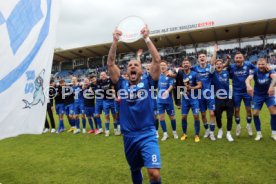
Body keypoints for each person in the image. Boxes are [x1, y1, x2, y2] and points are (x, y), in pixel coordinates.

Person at [107, 25, 162, 184]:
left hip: (147, 134)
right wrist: (115, 41)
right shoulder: (121, 84)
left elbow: (157, 60)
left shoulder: (149, 82)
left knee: (154, 174)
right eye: (130, 65)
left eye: (136, 65)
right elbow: (110, 64)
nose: (132, 66)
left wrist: (146, 38)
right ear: (126, 72)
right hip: (129, 136)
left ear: (142, 71)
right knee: (135, 169)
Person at [245, 58, 276, 141]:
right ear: (257, 65)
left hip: (269, 95)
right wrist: (248, 85)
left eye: (263, 64)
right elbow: (248, 79)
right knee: (255, 114)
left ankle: (274, 133)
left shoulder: (270, 70)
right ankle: (259, 134)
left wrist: (271, 87)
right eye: (259, 64)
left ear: (266, 64)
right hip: (257, 95)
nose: (261, 66)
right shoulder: (255, 71)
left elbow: (275, 78)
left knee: (274, 113)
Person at [191, 47, 217, 141]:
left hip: (209, 94)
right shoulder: (194, 69)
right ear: (198, 59)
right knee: (202, 114)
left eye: (203, 56)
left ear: (206, 58)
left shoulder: (209, 68)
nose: (202, 58)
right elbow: (185, 69)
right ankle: (206, 130)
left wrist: (214, 51)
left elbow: (213, 62)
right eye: (200, 57)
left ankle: (212, 133)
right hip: (199, 95)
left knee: (212, 113)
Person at [228, 52, 255, 137]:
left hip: (247, 91)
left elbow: (257, 69)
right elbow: (224, 70)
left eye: (240, 58)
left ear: (243, 58)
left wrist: (251, 76)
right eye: (236, 58)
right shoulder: (231, 67)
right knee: (236, 110)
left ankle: (248, 124)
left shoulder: (248, 64)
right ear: (234, 59)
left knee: (248, 109)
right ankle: (238, 126)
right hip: (236, 92)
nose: (238, 59)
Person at [178, 59, 202, 142]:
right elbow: (177, 84)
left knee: (196, 116)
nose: (185, 64)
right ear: (182, 65)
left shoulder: (195, 74)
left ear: (190, 65)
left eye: (187, 63)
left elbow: (200, 85)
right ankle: (184, 134)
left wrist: (191, 88)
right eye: (184, 63)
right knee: (183, 117)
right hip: (185, 99)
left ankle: (197, 135)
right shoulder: (180, 74)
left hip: (194, 98)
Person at [211, 58, 234, 141]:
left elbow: (228, 66)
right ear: (215, 66)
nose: (219, 65)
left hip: (228, 98)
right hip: (218, 99)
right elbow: (211, 65)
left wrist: (227, 61)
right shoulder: (212, 73)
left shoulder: (227, 72)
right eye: (217, 64)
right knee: (217, 117)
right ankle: (220, 130)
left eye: (220, 64)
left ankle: (228, 133)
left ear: (223, 65)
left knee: (230, 116)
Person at [157, 60, 178, 141]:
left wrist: (167, 91)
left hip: (168, 101)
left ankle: (174, 132)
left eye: (164, 65)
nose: (162, 66)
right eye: (161, 65)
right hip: (160, 101)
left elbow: (172, 85)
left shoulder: (170, 75)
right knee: (161, 118)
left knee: (172, 117)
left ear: (167, 66)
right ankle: (165, 134)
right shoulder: (158, 76)